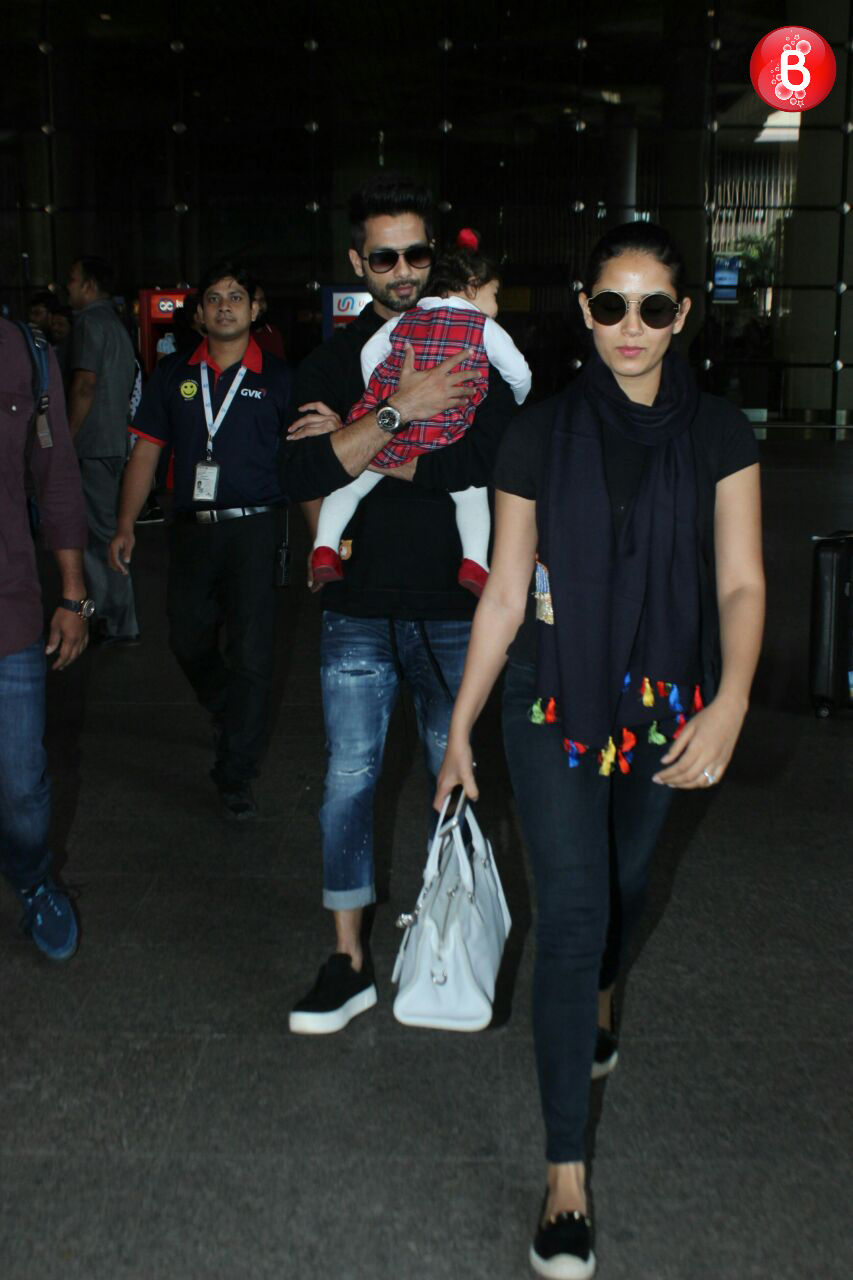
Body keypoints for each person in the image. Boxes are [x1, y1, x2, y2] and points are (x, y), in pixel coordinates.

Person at [435, 221, 765, 1279]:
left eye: (654, 307)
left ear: (682, 316)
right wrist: (457, 728)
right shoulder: (536, 432)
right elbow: (500, 590)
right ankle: (565, 1172)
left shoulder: (718, 431)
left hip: (666, 696)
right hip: (551, 697)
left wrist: (730, 703)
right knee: (573, 912)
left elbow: (742, 582)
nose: (631, 327)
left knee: (624, 886)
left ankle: (603, 990)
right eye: (610, 304)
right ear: (582, 310)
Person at [107, 260, 473, 821]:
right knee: (187, 639)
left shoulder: (282, 381)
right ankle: (229, 707)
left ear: (256, 310)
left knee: (254, 656)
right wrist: (127, 523)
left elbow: (306, 468)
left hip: (258, 530)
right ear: (200, 312)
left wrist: (316, 541)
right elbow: (147, 452)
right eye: (214, 298)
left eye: (237, 296)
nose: (225, 305)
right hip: (191, 531)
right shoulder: (172, 375)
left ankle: (235, 773)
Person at [286, 174, 518, 1035]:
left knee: (450, 777)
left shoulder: (476, 340)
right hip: (357, 604)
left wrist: (365, 439)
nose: (402, 269)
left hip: (461, 610)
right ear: (358, 262)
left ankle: (446, 936)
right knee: (346, 782)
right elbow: (303, 474)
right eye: (383, 255)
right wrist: (401, 407)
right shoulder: (336, 358)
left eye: (416, 252)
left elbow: (487, 460)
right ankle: (346, 960)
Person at [310, 229, 531, 596]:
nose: (497, 305)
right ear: (473, 286)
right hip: (443, 433)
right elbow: (519, 372)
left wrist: (379, 393)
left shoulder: (406, 318)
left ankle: (325, 547)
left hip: (394, 426)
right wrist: (519, 397)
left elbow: (370, 354)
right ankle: (475, 562)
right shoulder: (483, 326)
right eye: (495, 295)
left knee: (353, 482)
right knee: (471, 491)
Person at [0, 316, 92, 960]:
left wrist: (73, 594)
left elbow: (56, 477)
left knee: (22, 785)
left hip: (11, 608)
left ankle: (33, 883)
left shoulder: (25, 353)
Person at [66, 255, 140, 645]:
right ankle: (109, 617)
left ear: (90, 285)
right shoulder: (117, 324)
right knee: (103, 535)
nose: (69, 287)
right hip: (112, 443)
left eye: (73, 281)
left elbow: (84, 384)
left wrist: (66, 437)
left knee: (99, 539)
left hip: (91, 445)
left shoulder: (90, 323)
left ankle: (115, 621)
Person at [252, 284, 286, 359]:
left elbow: (280, 363)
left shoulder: (272, 332)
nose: (259, 306)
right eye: (253, 300)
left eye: (261, 300)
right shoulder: (236, 332)